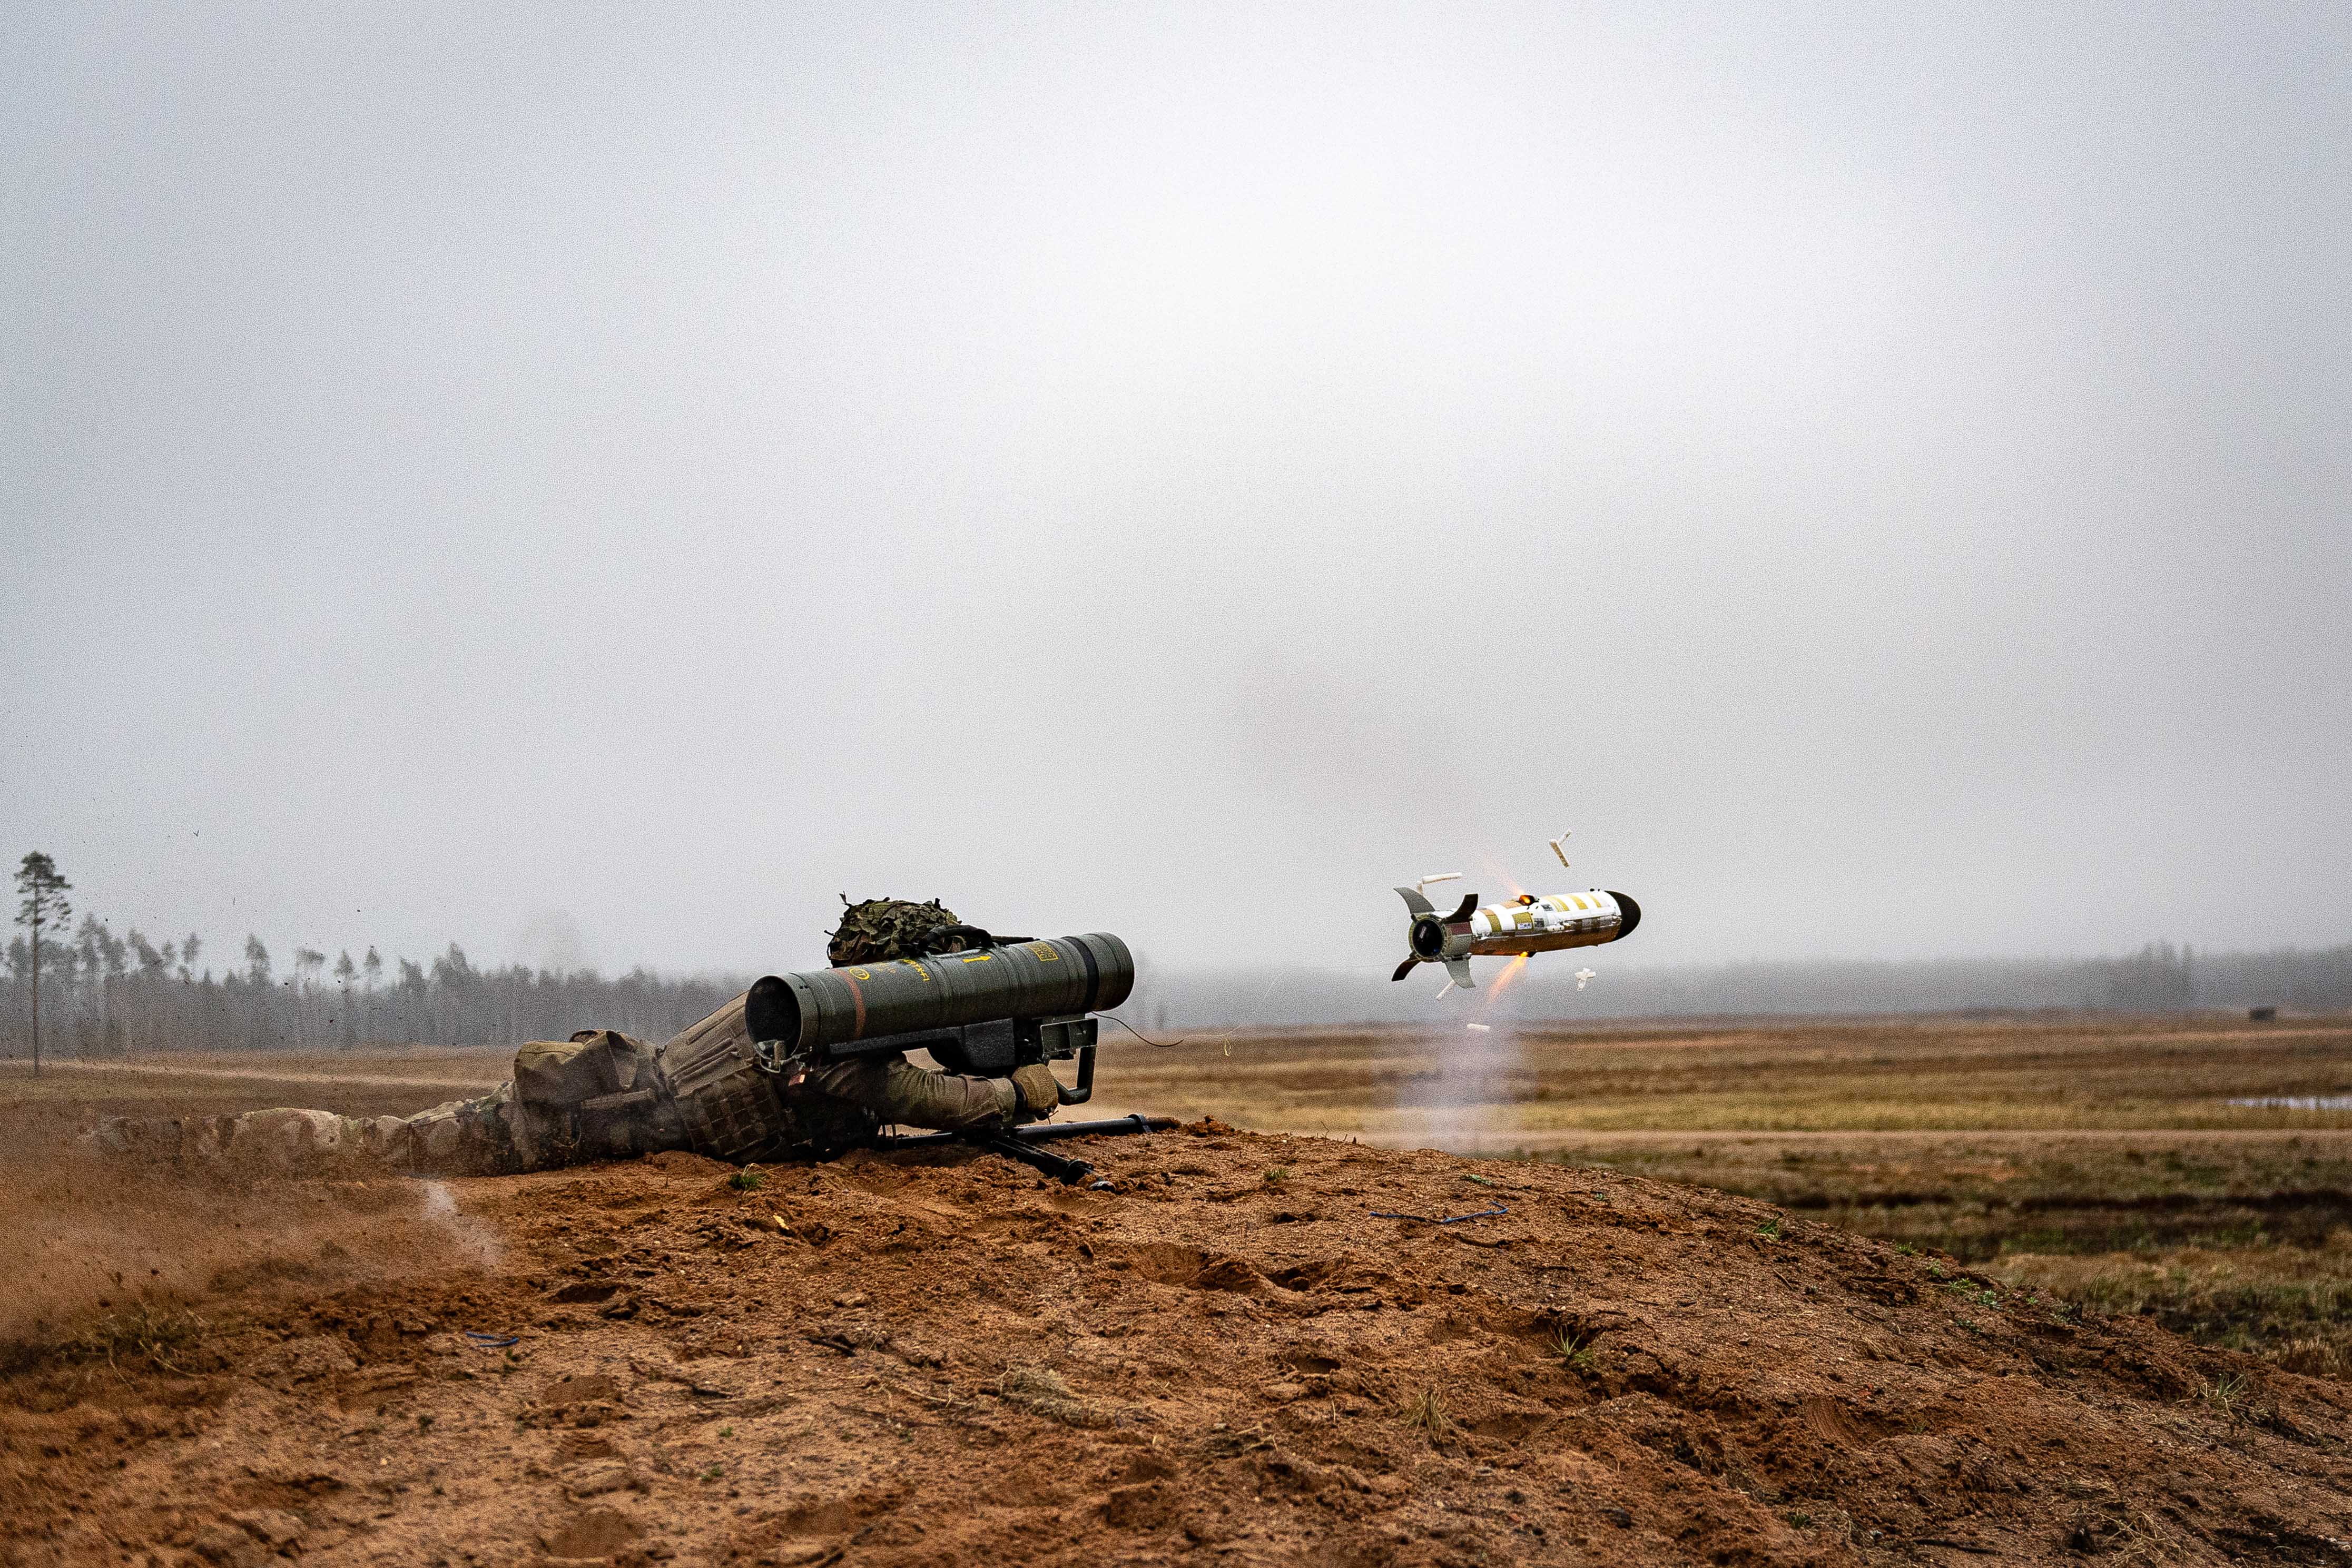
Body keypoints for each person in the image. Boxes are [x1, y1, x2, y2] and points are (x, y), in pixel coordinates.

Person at [85, 900, 1064, 1176]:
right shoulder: (830, 1042)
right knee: (371, 1146)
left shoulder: (799, 1012)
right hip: (577, 1118)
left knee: (384, 1145)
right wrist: (1016, 1095)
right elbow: (919, 1100)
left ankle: (165, 1149)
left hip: (609, 1100)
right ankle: (165, 1148)